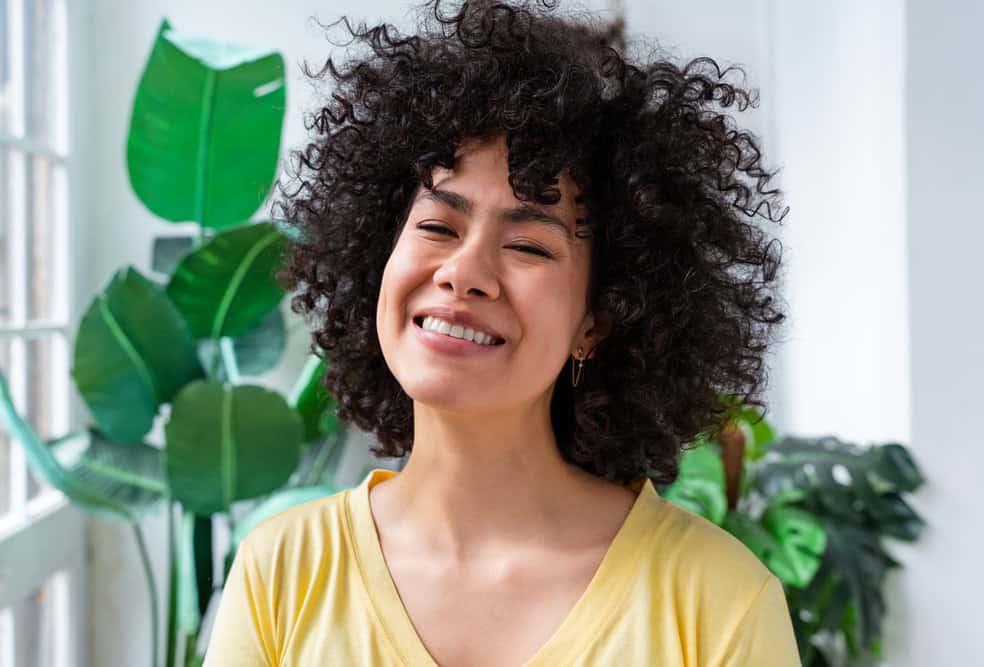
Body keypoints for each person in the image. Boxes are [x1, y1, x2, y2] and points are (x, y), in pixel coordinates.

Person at [204, 0, 799, 665]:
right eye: (437, 227)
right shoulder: (279, 573)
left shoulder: (718, 601)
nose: (464, 272)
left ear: (599, 317)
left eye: (529, 246)